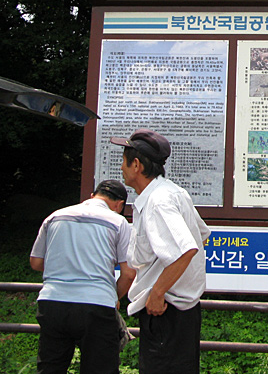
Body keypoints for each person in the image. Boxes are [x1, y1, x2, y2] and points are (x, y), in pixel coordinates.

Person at [110, 128, 211, 374]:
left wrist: (158, 291)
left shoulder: (158, 200)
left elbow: (185, 249)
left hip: (166, 310)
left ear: (136, 165)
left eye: (123, 162)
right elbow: (202, 233)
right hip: (179, 312)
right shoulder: (173, 192)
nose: (121, 168)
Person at [30, 180, 136, 374]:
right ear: (119, 205)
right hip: (96, 304)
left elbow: (36, 262)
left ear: (92, 196)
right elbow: (129, 273)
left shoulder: (55, 216)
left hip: (53, 302)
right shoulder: (118, 221)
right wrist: (115, 297)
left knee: (50, 367)